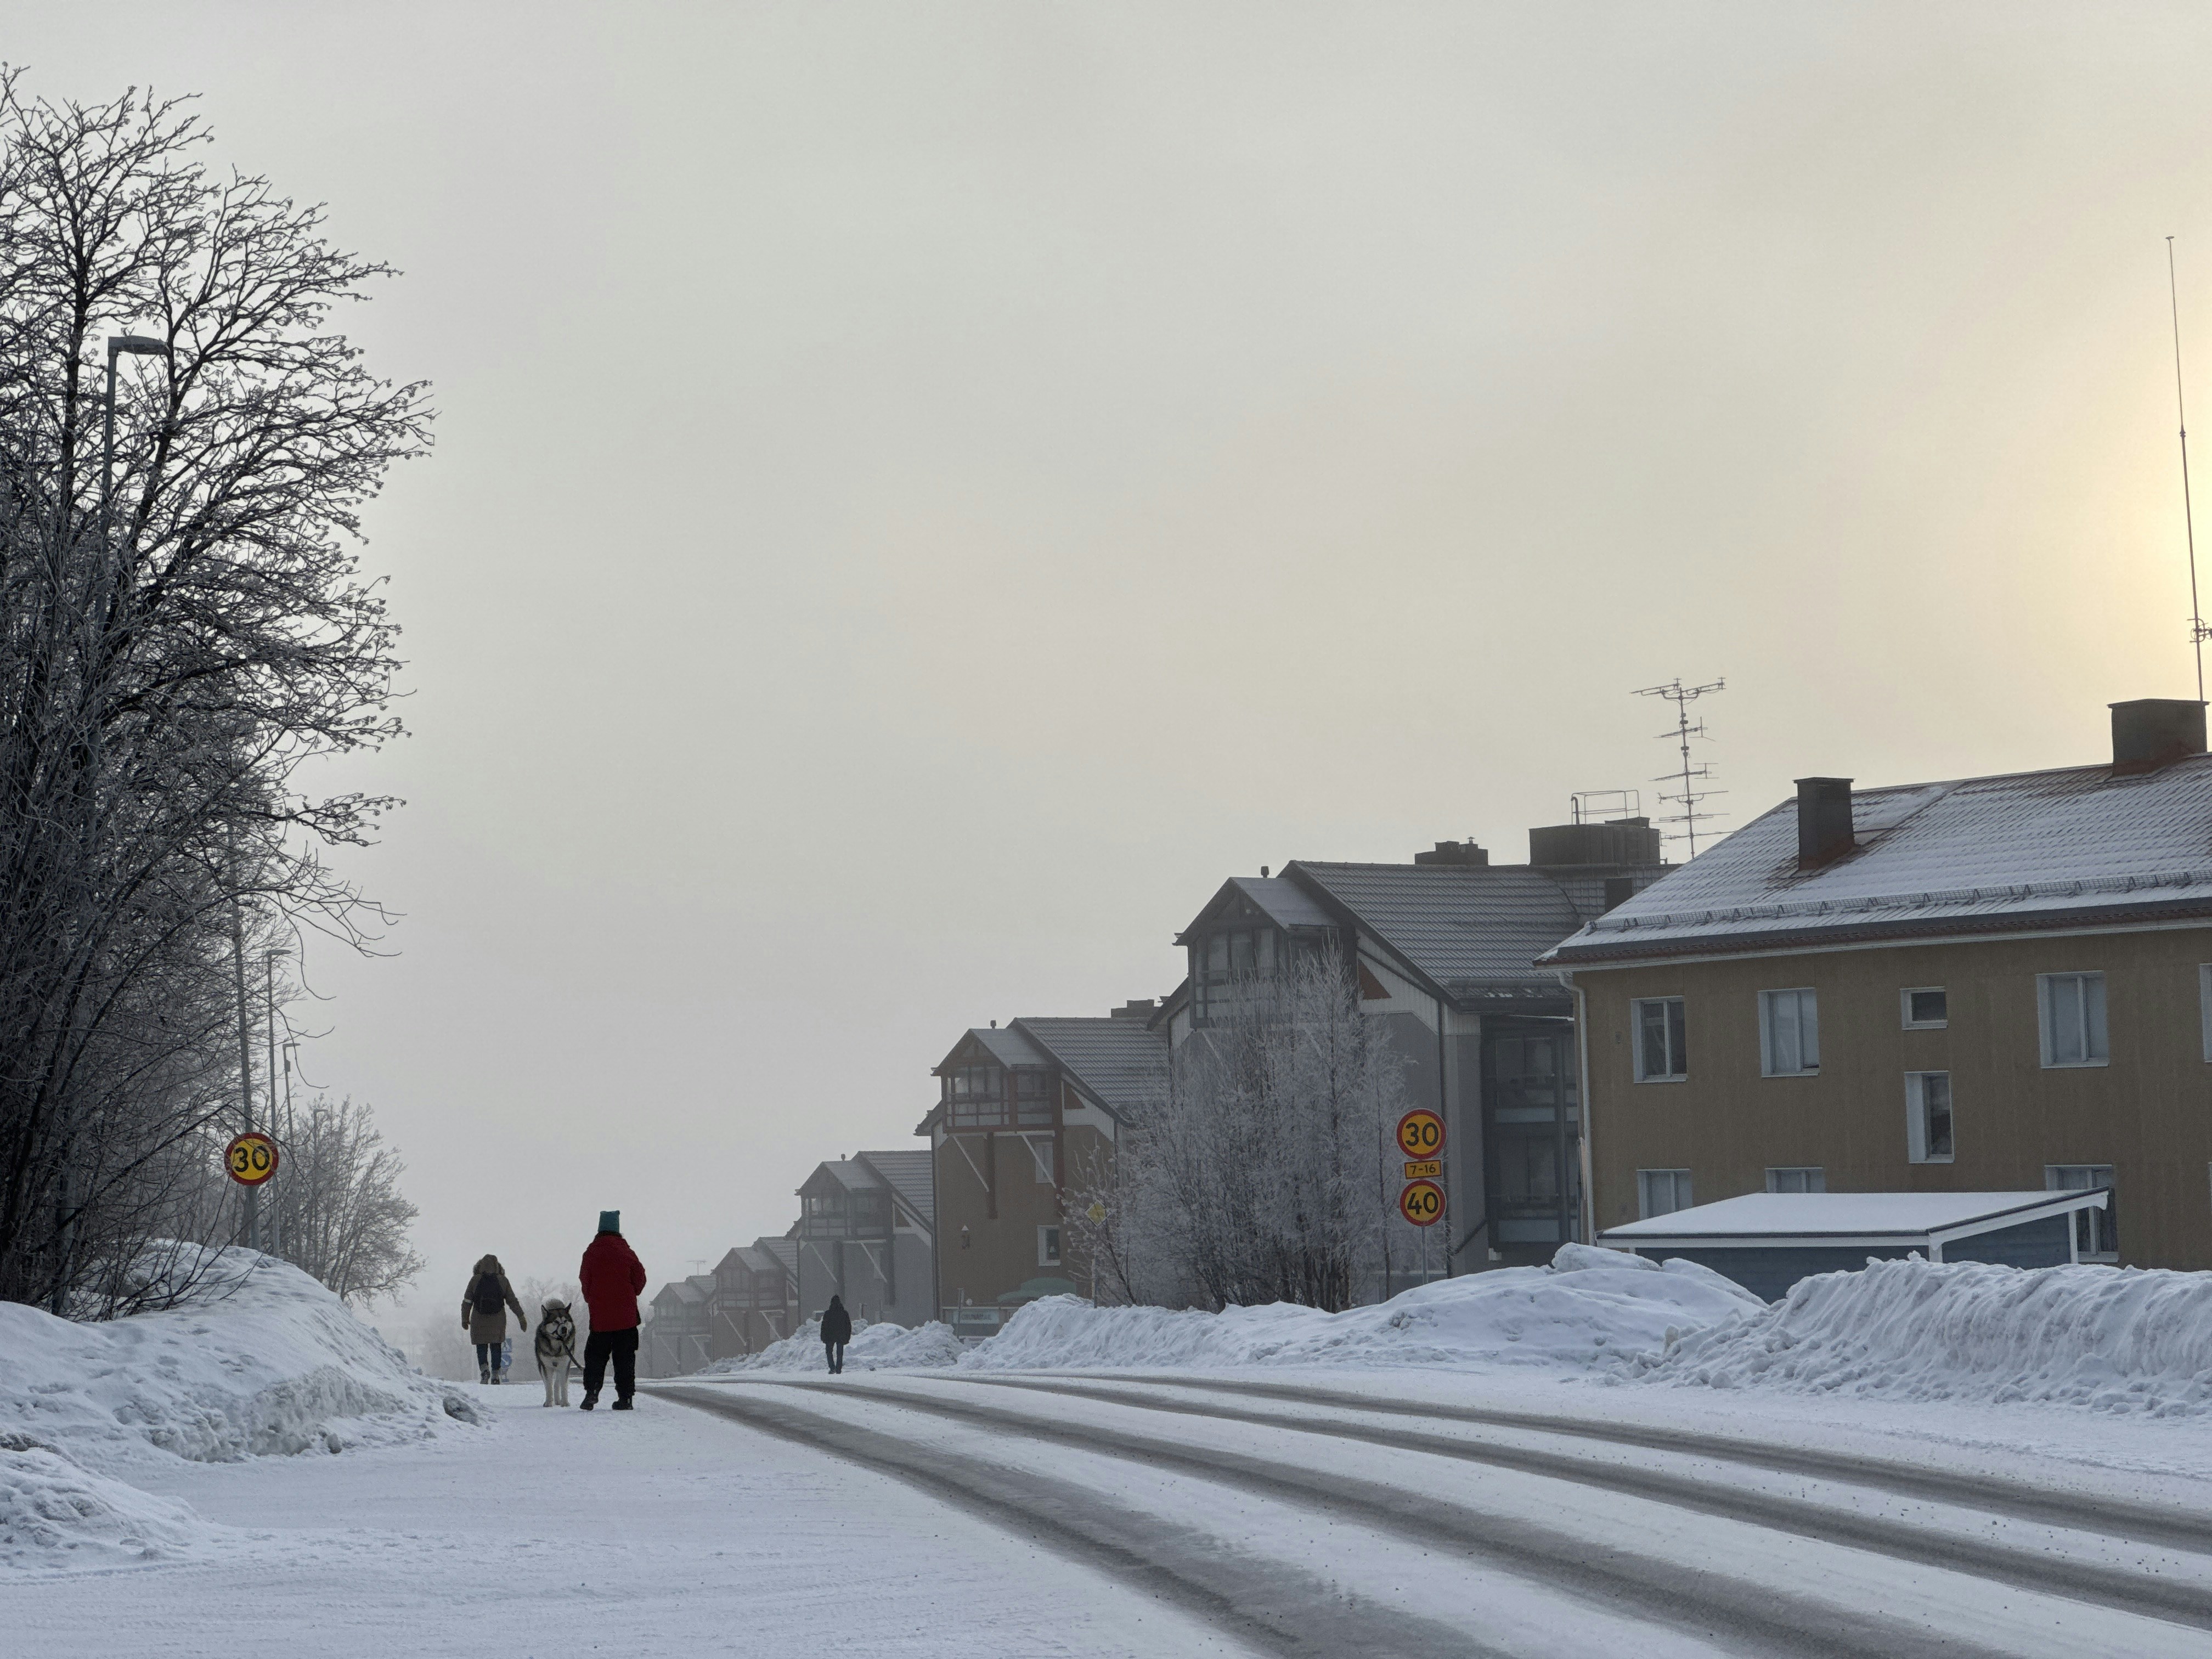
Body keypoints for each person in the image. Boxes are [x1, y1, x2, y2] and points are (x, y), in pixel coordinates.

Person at [578, 1210, 647, 1411]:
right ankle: (625, 1398)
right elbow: (640, 1279)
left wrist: (592, 1300)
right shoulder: (627, 1252)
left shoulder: (591, 1253)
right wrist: (631, 1293)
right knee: (625, 1358)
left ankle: (591, 1394)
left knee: (595, 1357)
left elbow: (585, 1280)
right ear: (618, 1230)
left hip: (600, 1319)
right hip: (626, 1319)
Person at [462, 1254, 526, 1385]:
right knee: (496, 1347)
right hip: (498, 1320)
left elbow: (467, 1301)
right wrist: (521, 1316)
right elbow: (512, 1301)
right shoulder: (503, 1280)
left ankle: (484, 1370)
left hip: (478, 1319)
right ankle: (496, 1374)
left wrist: (465, 1318)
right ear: (497, 1266)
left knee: (481, 1346)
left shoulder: (475, 1280)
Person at [820, 1294, 851, 1375]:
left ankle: (832, 1368)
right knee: (840, 1354)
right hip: (841, 1336)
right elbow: (848, 1326)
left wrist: (823, 1336)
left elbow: (824, 1326)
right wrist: (847, 1337)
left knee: (829, 1352)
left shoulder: (828, 1314)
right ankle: (838, 1369)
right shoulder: (844, 1313)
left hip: (830, 1336)